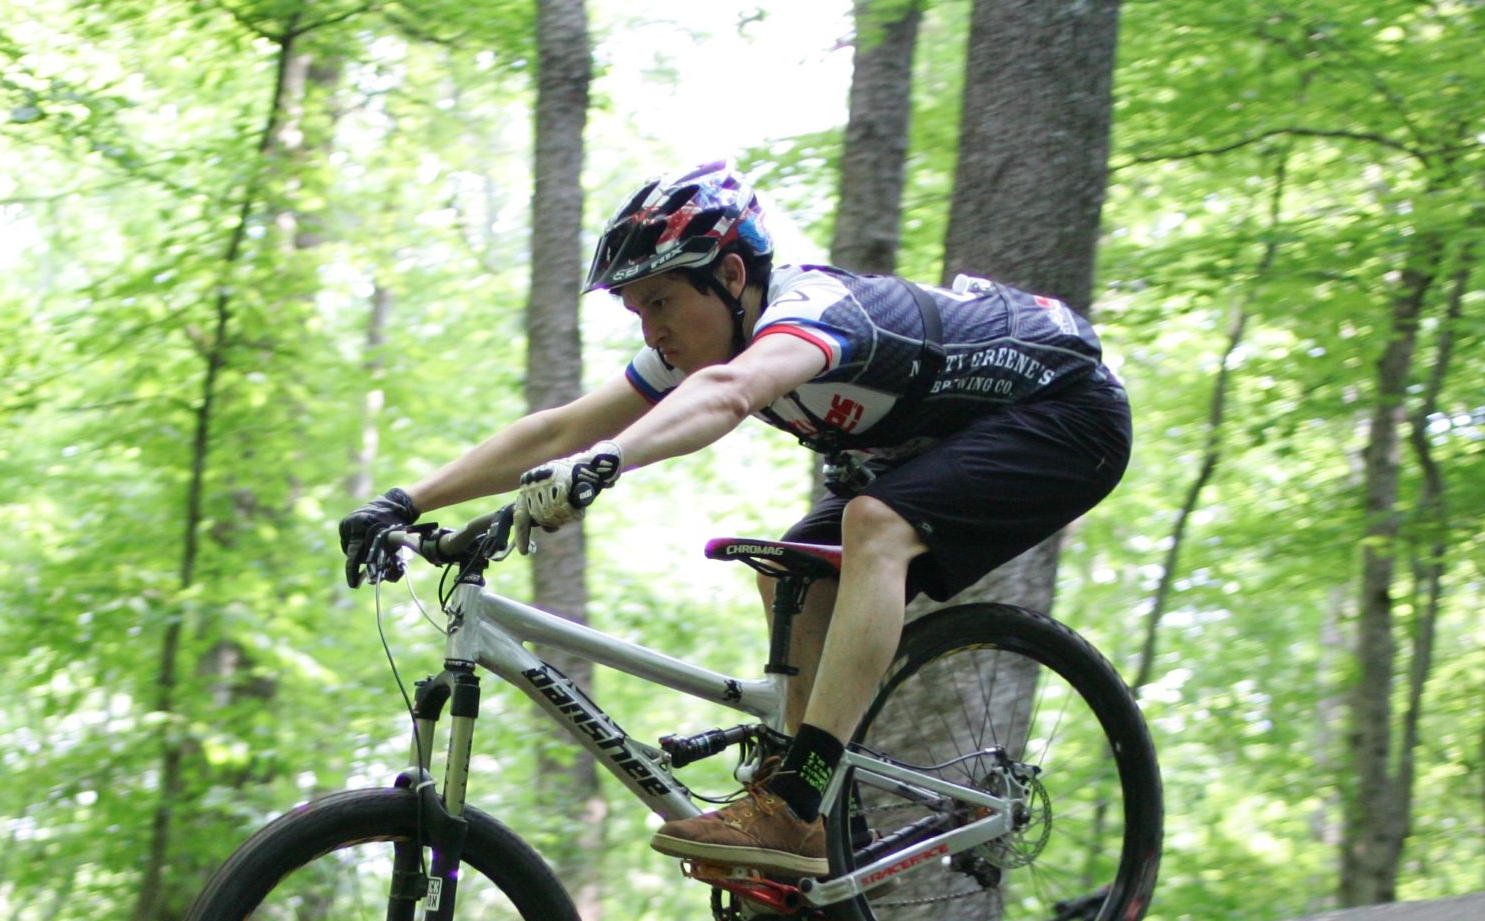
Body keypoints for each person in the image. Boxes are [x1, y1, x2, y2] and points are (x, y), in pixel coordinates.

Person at [339, 159, 1133, 878]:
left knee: (874, 524)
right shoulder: (702, 340)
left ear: (728, 276)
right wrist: (404, 502)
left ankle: (794, 804)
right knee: (791, 566)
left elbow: (728, 397)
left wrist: (605, 463)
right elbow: (558, 429)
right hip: (944, 437)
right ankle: (818, 831)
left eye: (659, 302)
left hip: (1070, 414)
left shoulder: (815, 311)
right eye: (635, 309)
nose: (650, 329)